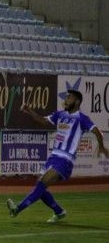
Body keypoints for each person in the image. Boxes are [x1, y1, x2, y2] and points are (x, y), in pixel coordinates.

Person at [7, 89, 109, 223]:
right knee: (40, 187)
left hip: (65, 160)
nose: (66, 100)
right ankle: (59, 212)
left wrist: (101, 147)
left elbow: (97, 131)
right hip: (53, 157)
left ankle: (17, 209)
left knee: (42, 184)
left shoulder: (82, 119)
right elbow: (43, 121)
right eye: (66, 98)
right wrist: (29, 110)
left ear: (77, 101)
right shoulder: (60, 115)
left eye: (69, 98)